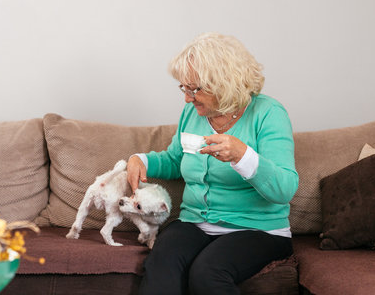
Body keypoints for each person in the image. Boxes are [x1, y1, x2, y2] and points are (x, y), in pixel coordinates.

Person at [127, 32, 298, 295]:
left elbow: (284, 189)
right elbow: (176, 159)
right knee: (162, 261)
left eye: (194, 89)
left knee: (207, 272)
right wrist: (141, 160)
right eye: (184, 88)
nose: (187, 98)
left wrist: (243, 156)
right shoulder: (192, 112)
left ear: (224, 83)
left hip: (258, 230)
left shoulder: (268, 114)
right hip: (195, 223)